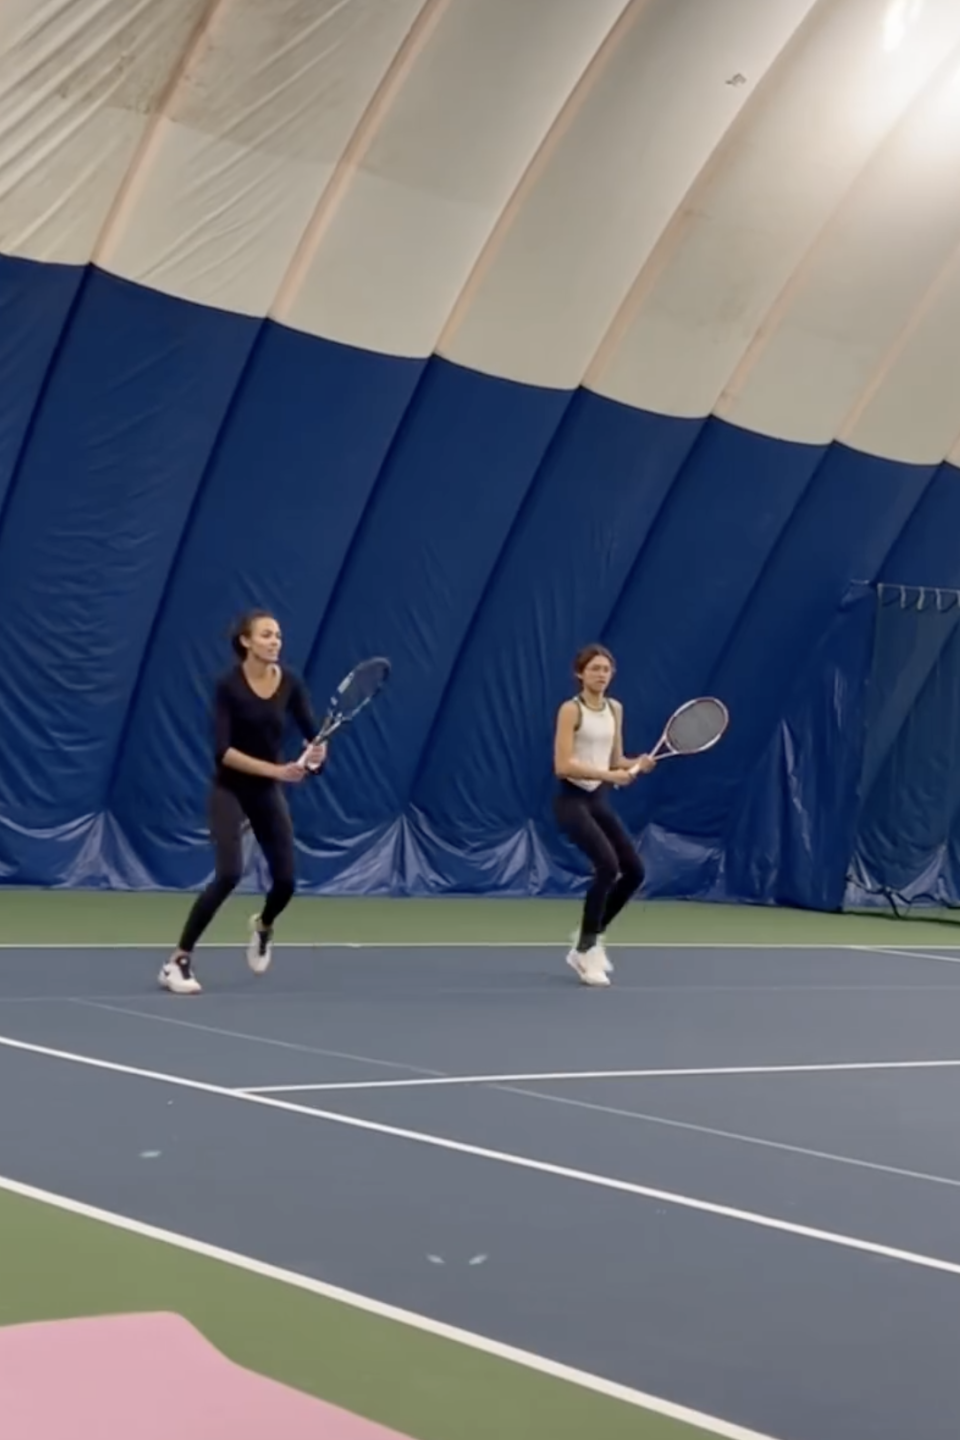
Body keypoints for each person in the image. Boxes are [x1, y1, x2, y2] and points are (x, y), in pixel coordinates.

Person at [159, 610, 327, 996]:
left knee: (286, 881)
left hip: (267, 793)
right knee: (229, 873)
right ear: (246, 642)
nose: (275, 641)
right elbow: (223, 751)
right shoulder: (227, 686)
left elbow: (312, 736)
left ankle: (263, 926)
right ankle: (177, 960)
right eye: (266, 635)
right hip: (229, 790)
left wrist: (316, 757)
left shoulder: (291, 683)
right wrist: (277, 770)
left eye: (278, 635)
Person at [553, 644, 656, 987]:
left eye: (606, 669)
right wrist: (612, 776)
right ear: (580, 674)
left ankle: (590, 938)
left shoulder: (615, 708)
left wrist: (636, 763)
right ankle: (586, 950)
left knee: (634, 872)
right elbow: (563, 765)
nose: (601, 674)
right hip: (572, 802)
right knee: (608, 866)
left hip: (598, 800)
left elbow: (615, 759)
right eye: (594, 668)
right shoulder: (571, 710)